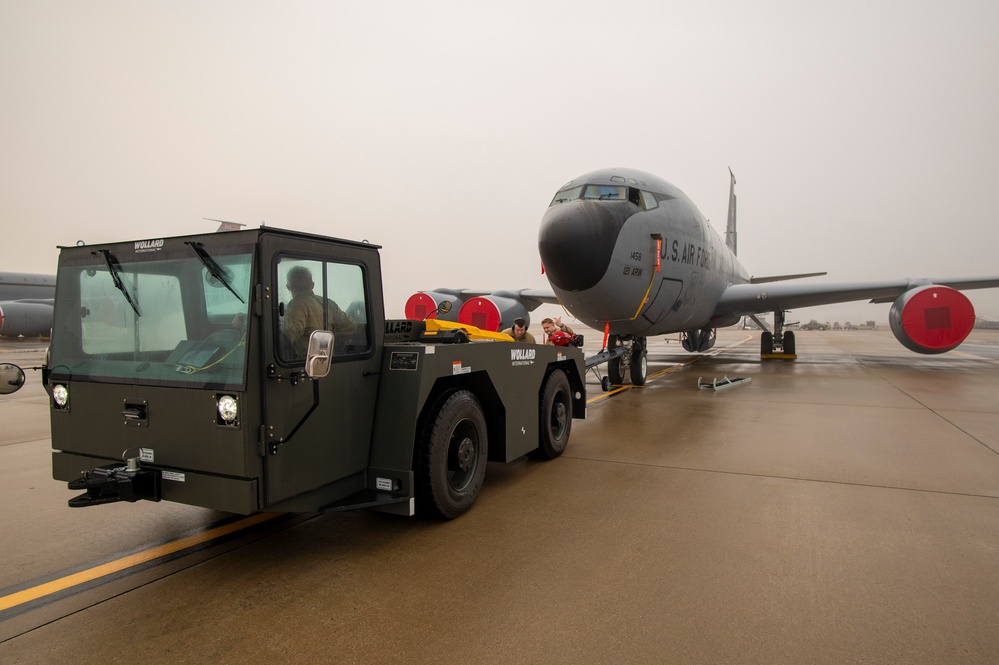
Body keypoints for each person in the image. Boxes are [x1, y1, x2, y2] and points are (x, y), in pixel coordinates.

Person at [283, 266, 355, 356]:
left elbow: (286, 338)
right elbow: (350, 326)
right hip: (326, 361)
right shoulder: (328, 303)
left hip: (304, 364)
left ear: (288, 287)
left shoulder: (296, 305)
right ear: (312, 285)